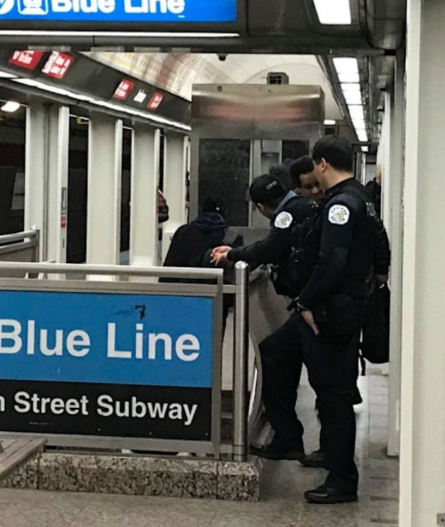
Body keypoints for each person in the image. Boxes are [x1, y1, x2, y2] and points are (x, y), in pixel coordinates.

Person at [253, 135, 381, 505]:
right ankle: (295, 439)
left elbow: (332, 261)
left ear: (323, 164)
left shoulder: (341, 204)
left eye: (315, 169)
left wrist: (306, 301)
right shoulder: (362, 198)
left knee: (334, 394)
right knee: (277, 353)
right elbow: (377, 244)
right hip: (340, 306)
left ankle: (342, 479)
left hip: (329, 312)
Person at [210, 175, 315, 297]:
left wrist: (231, 254)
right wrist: (235, 252)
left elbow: (269, 249)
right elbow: (273, 244)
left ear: (261, 207)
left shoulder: (287, 215)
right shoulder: (301, 204)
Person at [162, 196, 242, 282]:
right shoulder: (232, 236)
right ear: (224, 213)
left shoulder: (182, 232)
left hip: (182, 291)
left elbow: (168, 269)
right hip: (216, 292)